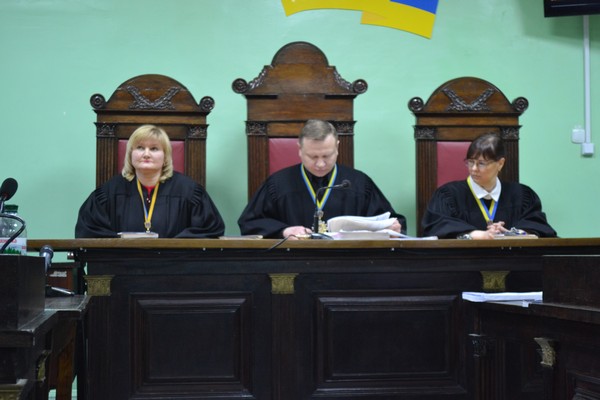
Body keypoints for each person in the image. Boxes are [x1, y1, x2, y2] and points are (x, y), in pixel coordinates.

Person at [238, 119, 406, 239]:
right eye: (313, 156)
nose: (320, 164)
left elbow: (392, 222)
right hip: (293, 264)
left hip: (349, 264)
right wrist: (284, 231)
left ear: (337, 147)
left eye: (326, 156)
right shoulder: (278, 184)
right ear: (299, 149)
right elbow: (249, 223)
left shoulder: (359, 183)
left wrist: (393, 227)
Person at [75, 124, 225, 238]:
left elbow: (211, 229)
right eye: (140, 148)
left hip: (175, 266)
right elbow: (88, 230)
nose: (146, 154)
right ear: (130, 154)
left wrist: (171, 248)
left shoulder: (189, 191)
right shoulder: (109, 192)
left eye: (154, 149)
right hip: (123, 266)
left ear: (165, 156)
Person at [422, 132, 556, 239]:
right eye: (470, 162)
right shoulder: (448, 195)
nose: (474, 169)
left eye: (481, 163)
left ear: (500, 163)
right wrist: (477, 235)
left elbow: (539, 226)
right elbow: (435, 227)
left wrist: (512, 234)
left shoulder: (522, 195)